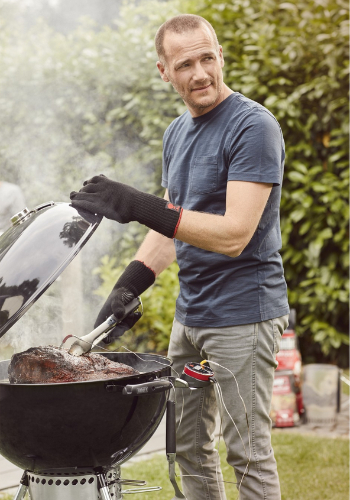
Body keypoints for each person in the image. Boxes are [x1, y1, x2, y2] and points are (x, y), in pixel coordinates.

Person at [70, 14, 289, 500]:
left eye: (207, 57)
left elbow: (234, 234)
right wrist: (127, 287)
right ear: (164, 72)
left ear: (220, 56)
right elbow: (173, 227)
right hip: (191, 318)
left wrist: (136, 204)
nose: (201, 73)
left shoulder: (253, 127)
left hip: (242, 318)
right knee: (187, 448)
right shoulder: (176, 134)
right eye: (185, 63)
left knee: (247, 452)